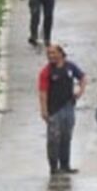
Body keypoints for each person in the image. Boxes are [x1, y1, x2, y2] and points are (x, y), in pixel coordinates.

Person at [38, 44, 87, 175]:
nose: (51, 56)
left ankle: (65, 165)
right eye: (49, 54)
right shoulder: (46, 72)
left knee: (66, 137)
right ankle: (54, 167)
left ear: (61, 53)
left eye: (53, 53)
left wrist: (80, 91)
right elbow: (43, 92)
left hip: (69, 107)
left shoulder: (70, 67)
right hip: (54, 109)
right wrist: (44, 110)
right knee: (53, 139)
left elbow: (82, 77)